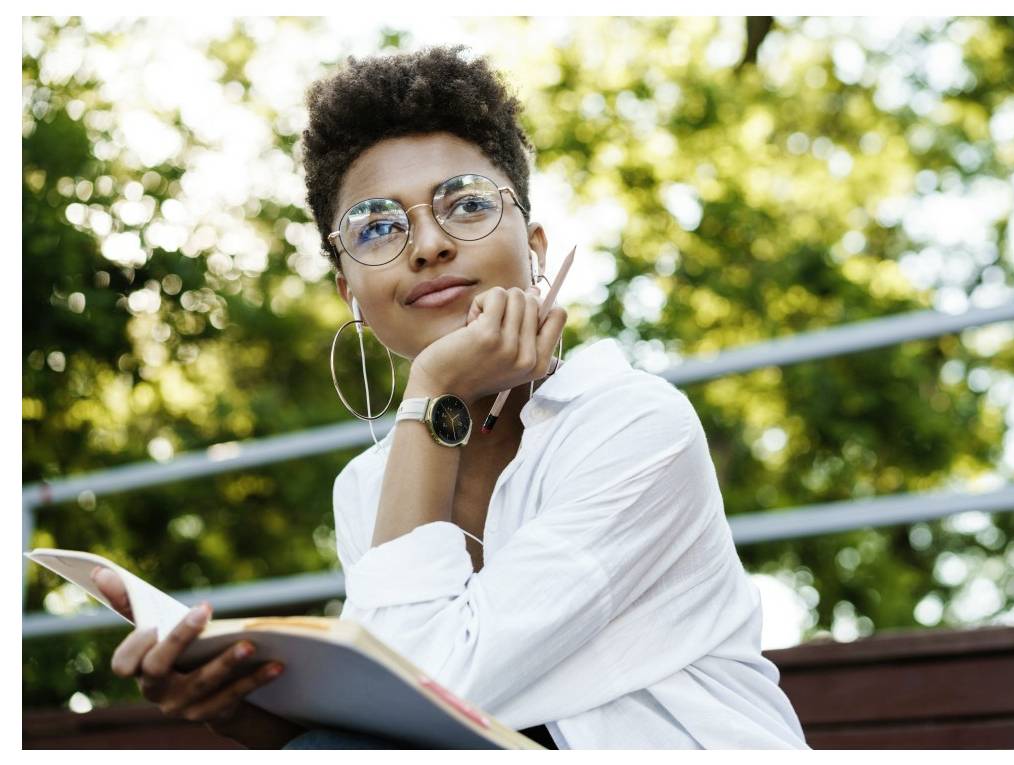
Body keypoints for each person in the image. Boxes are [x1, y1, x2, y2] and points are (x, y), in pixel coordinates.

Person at [93, 44, 809, 750]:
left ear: (534, 247)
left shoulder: (634, 424)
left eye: (465, 204)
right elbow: (407, 720)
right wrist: (240, 710)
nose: (428, 244)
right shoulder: (366, 488)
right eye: (378, 226)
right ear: (349, 291)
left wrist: (433, 389)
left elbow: (425, 681)